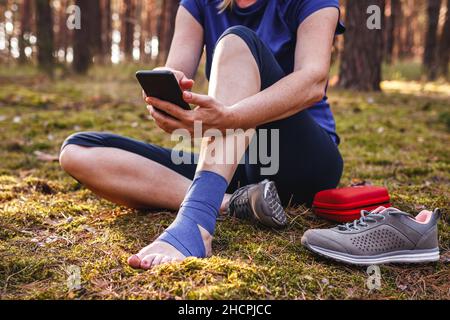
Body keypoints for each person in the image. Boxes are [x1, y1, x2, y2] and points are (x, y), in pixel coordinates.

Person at [59, 0, 344, 270]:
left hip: (300, 159)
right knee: (77, 152)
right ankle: (233, 202)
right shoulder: (199, 3)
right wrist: (165, 94)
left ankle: (196, 221)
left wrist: (231, 118)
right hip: (234, 162)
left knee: (237, 41)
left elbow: (313, 81)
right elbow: (175, 71)